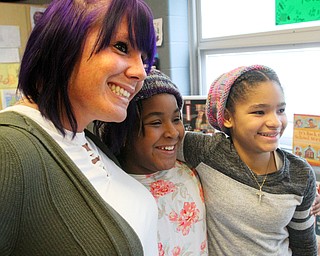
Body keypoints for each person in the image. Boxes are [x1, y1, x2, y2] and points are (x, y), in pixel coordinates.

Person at [0, 0, 159, 255]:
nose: (141, 72)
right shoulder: (9, 148)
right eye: (121, 47)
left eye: (144, 59)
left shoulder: (84, 139)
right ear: (60, 44)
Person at [178, 64, 318, 255]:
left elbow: (304, 245)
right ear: (228, 117)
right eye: (259, 112)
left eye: (281, 110)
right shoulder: (208, 152)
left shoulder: (300, 174)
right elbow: (162, 138)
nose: (275, 122)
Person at [95, 69, 208, 255]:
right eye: (156, 123)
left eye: (176, 119)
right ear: (122, 132)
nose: (172, 132)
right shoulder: (111, 192)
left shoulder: (190, 171)